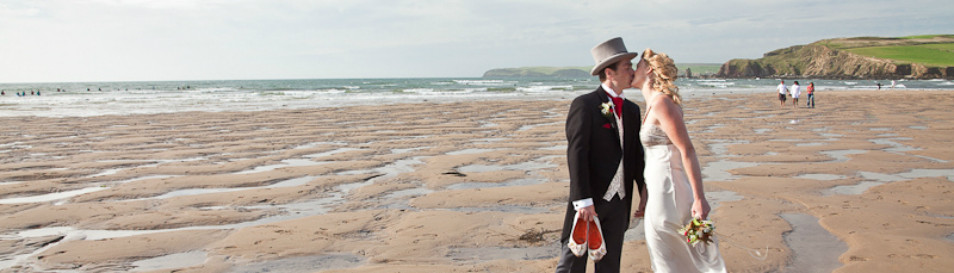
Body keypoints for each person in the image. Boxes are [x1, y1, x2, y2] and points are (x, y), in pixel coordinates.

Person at [631, 48, 727, 273]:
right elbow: (653, 158)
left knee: (670, 257)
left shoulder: (662, 104)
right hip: (657, 190)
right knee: (666, 255)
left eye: (636, 66)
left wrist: (699, 198)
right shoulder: (652, 105)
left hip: (670, 190)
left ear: (650, 72)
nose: (632, 70)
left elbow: (688, 151)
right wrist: (645, 194)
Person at [556, 37, 646, 273]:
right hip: (589, 202)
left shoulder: (632, 110)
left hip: (620, 202)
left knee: (610, 266)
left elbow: (635, 155)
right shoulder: (584, 105)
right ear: (610, 73)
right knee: (572, 263)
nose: (632, 71)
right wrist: (583, 200)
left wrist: (643, 190)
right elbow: (576, 153)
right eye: (627, 66)